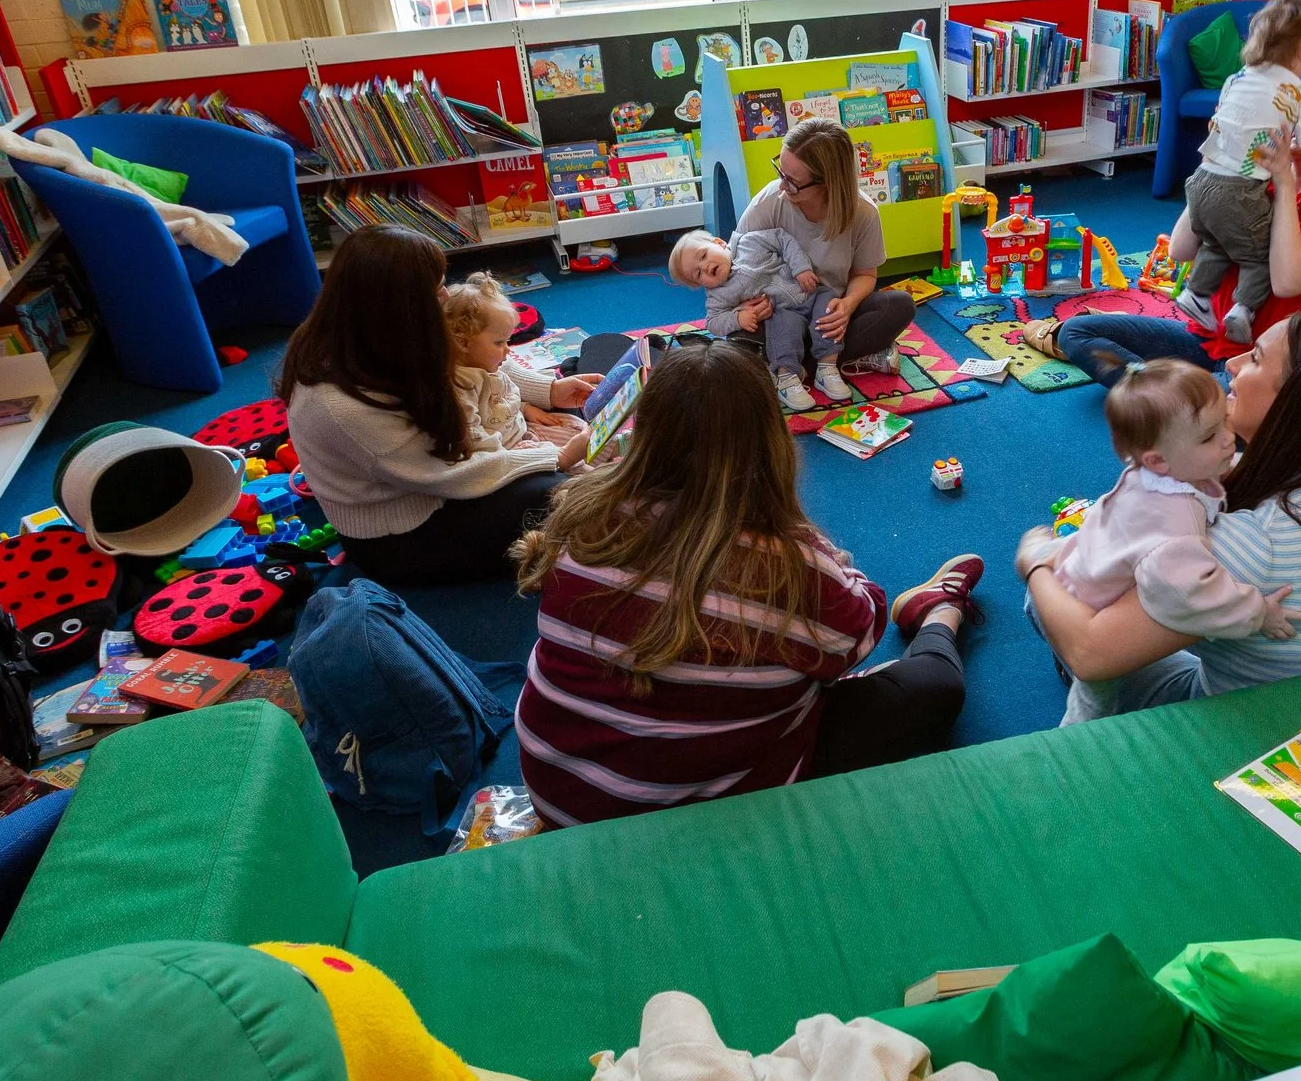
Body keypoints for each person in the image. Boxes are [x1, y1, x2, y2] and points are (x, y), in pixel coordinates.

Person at [513, 339, 983, 826]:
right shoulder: (788, 563)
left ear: (647, 431)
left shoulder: (585, 514)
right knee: (935, 686)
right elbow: (860, 633)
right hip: (697, 820)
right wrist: (817, 550)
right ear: (771, 442)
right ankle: (939, 610)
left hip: (558, 793)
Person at [1020, 311, 1301, 723]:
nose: (1231, 364)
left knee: (1064, 579)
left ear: (1293, 402)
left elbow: (1092, 654)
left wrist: (1035, 561)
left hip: (1245, 725)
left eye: (1254, 358)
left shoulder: (1249, 544)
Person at [281, 226, 595, 587]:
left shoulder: (382, 333)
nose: (446, 297)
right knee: (557, 491)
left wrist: (550, 391)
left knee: (565, 421)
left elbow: (470, 364)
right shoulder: (339, 405)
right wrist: (555, 458)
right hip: (402, 533)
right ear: (399, 304)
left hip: (434, 475)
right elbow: (452, 474)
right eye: (436, 289)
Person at [1056, 80, 1301, 389]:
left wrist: (1281, 180)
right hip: (1212, 344)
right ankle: (1171, 400)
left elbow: (1286, 282)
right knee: (1076, 332)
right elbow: (1180, 249)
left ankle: (1173, 401)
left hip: (1277, 367)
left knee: (1229, 408)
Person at [1049, 358, 1300, 716]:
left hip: (1085, 566)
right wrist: (1258, 613)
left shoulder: (1160, 472)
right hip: (1091, 604)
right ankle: (1079, 752)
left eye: (1224, 422)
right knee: (1092, 705)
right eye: (1210, 436)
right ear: (1158, 461)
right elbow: (1193, 594)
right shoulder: (1175, 528)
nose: (1229, 439)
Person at [1178, 0, 1301, 340]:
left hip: (1199, 182)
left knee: (1217, 243)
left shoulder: (1238, 78)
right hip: (1239, 191)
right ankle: (1243, 309)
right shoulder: (1298, 92)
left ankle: (1197, 294)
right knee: (1260, 255)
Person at [734, 117, 917, 380]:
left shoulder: (863, 212)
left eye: (793, 181)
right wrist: (751, 306)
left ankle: (788, 366)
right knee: (738, 335)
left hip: (827, 317)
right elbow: (736, 265)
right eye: (780, 172)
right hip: (779, 314)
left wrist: (847, 306)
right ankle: (826, 362)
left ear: (827, 182)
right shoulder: (770, 201)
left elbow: (866, 274)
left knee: (899, 305)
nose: (783, 186)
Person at [670, 227, 845, 410]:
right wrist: (738, 317)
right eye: (698, 274)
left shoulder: (749, 242)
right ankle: (787, 379)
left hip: (813, 293)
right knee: (782, 333)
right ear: (700, 285)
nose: (705, 267)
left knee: (829, 313)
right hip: (784, 311)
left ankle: (827, 367)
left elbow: (783, 239)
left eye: (704, 255)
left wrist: (800, 268)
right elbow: (713, 322)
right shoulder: (718, 295)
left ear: (719, 243)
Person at [443, 273, 583, 449]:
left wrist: (524, 408)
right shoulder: (461, 387)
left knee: (577, 426)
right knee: (574, 457)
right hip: (509, 449)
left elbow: (501, 398)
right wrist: (562, 457)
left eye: (507, 341)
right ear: (463, 342)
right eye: (499, 342)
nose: (508, 349)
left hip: (522, 428)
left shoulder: (487, 363)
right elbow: (476, 442)